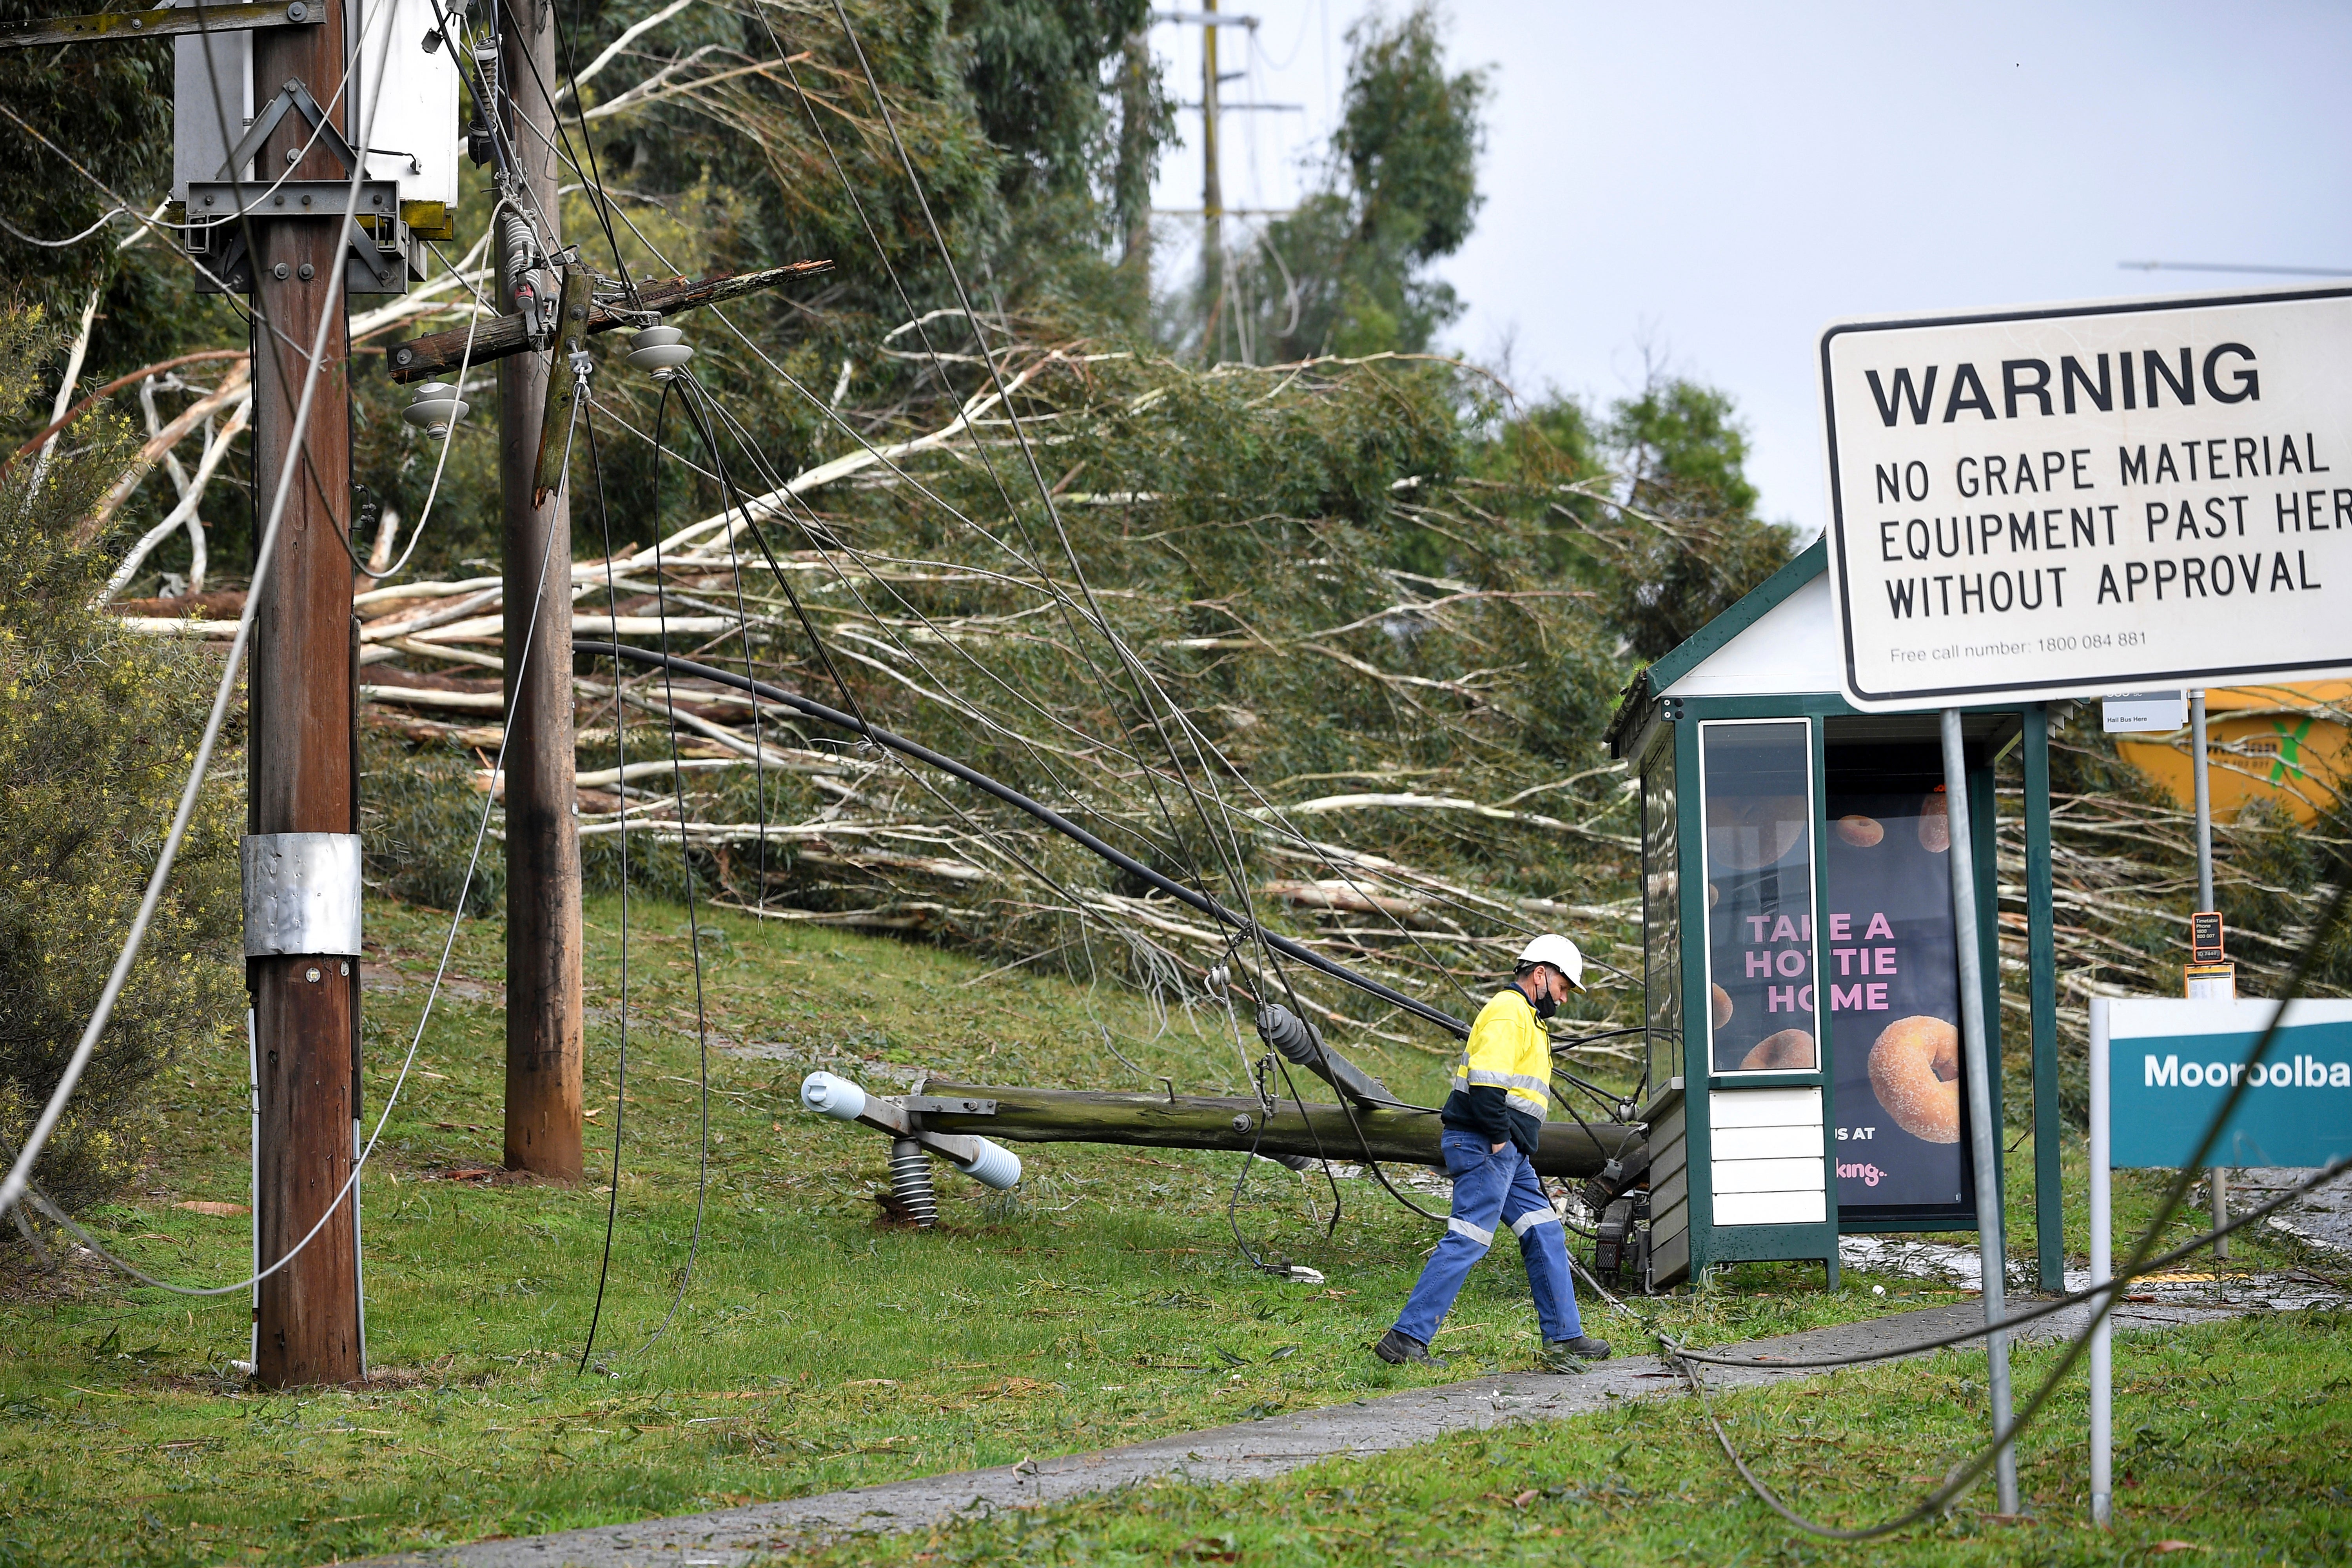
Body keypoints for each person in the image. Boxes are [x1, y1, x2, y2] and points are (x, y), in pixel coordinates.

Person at [1374, 933, 1612, 1370]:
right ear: (1540, 973)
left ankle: (1565, 1337)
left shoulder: (1526, 1017)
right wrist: (1500, 1137)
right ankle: (1405, 1338)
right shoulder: (1508, 1011)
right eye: (1563, 986)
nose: (1564, 997)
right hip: (1489, 1144)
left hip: (1508, 1152)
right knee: (1468, 1237)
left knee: (1546, 1231)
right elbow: (1486, 1083)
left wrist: (1510, 1144)